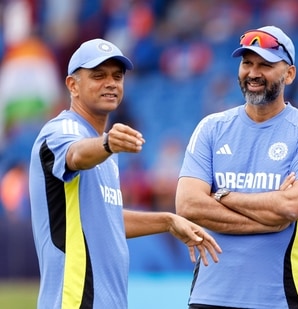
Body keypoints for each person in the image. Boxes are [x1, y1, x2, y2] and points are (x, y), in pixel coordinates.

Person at [28, 38, 222, 309]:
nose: (110, 82)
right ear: (73, 85)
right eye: (98, 76)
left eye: (117, 76)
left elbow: (106, 219)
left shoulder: (105, 151)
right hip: (74, 301)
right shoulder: (62, 131)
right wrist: (107, 144)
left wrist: (167, 221)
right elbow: (76, 154)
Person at [175, 25, 298, 309]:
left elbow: (290, 207)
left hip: (280, 297)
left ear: (290, 74)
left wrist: (222, 196)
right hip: (210, 295)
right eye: (247, 63)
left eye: (266, 65)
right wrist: (270, 218)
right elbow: (188, 205)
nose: (253, 73)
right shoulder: (211, 127)